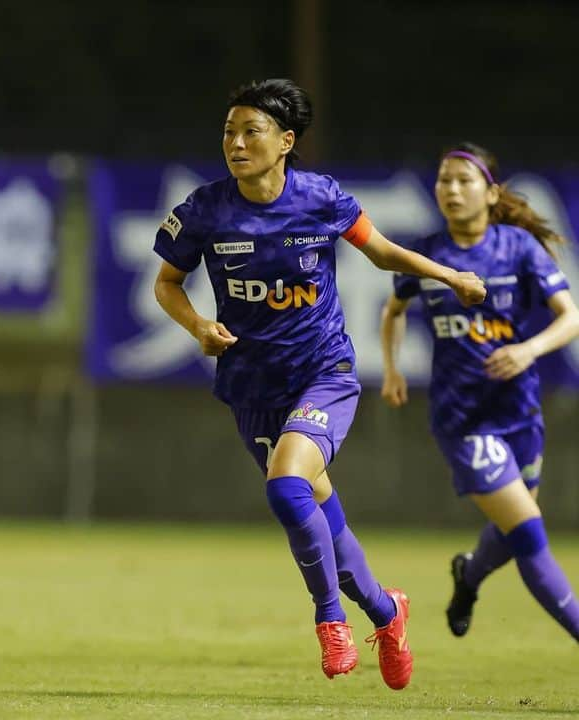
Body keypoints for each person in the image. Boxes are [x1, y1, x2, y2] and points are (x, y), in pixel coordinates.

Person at [152, 78, 486, 690]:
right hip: (253, 385)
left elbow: (382, 253)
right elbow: (167, 283)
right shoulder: (204, 210)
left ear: (286, 141)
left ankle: (329, 618)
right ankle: (387, 612)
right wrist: (199, 325)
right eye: (229, 130)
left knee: (285, 488)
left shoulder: (320, 198)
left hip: (323, 373)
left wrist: (451, 275)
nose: (236, 142)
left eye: (251, 131)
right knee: (324, 523)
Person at [380, 142, 579, 643]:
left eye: (463, 181)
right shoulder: (426, 254)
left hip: (520, 409)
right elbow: (393, 311)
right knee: (530, 534)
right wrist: (391, 369)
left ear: (491, 193)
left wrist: (528, 351)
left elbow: (571, 317)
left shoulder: (517, 247)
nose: (450, 189)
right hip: (464, 419)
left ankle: (468, 575)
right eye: (444, 180)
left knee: (512, 535)